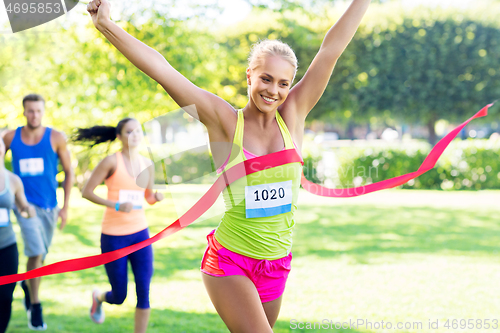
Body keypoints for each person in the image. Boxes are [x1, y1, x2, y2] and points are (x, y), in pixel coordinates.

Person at [87, 0, 371, 331]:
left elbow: (330, 50)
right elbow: (162, 69)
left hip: (277, 263)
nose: (273, 91)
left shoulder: (294, 115)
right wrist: (107, 25)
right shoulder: (223, 120)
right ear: (249, 75)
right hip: (230, 261)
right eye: (266, 78)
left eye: (283, 83)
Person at [76, 118, 164, 333]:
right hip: (114, 237)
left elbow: (148, 198)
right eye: (129, 131)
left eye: (138, 131)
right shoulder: (111, 162)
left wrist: (156, 197)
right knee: (119, 296)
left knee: (144, 291)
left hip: (141, 235)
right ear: (119, 136)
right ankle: (99, 296)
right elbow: (86, 192)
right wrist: (115, 205)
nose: (135, 135)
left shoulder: (147, 164)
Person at [2, 93, 74, 331]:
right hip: (23, 205)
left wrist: (64, 207)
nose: (34, 115)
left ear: (43, 112)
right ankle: (36, 305)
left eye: (38, 111)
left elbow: (69, 172)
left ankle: (26, 283)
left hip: (49, 206)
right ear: (24, 112)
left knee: (40, 257)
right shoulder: (11, 137)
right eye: (30, 111)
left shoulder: (56, 137)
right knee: (37, 250)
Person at [0, 136, 37, 333]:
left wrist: (28, 210)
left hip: (6, 246)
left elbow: (23, 207)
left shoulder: (12, 180)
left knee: (5, 296)